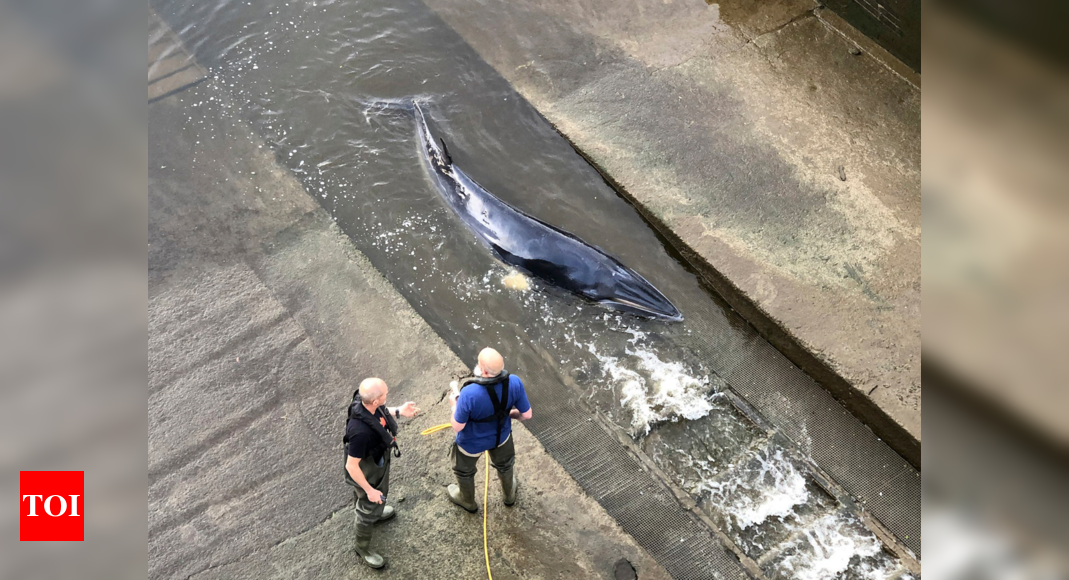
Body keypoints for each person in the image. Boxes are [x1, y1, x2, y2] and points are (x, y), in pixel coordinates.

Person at [344, 377, 419, 569]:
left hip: (376, 455)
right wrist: (369, 490)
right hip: (366, 466)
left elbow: (379, 415)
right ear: (375, 400)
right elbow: (351, 466)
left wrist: (398, 411)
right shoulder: (359, 433)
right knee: (368, 505)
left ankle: (373, 512)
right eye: (385, 394)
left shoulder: (365, 403)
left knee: (370, 499)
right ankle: (362, 548)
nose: (388, 395)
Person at [447, 347, 532, 512]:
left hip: (470, 443)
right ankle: (509, 495)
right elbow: (527, 415)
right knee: (506, 465)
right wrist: (511, 414)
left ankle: (467, 500)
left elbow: (457, 426)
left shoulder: (469, 393)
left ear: (483, 371)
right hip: (501, 438)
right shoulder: (514, 381)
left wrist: (453, 407)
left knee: (464, 472)